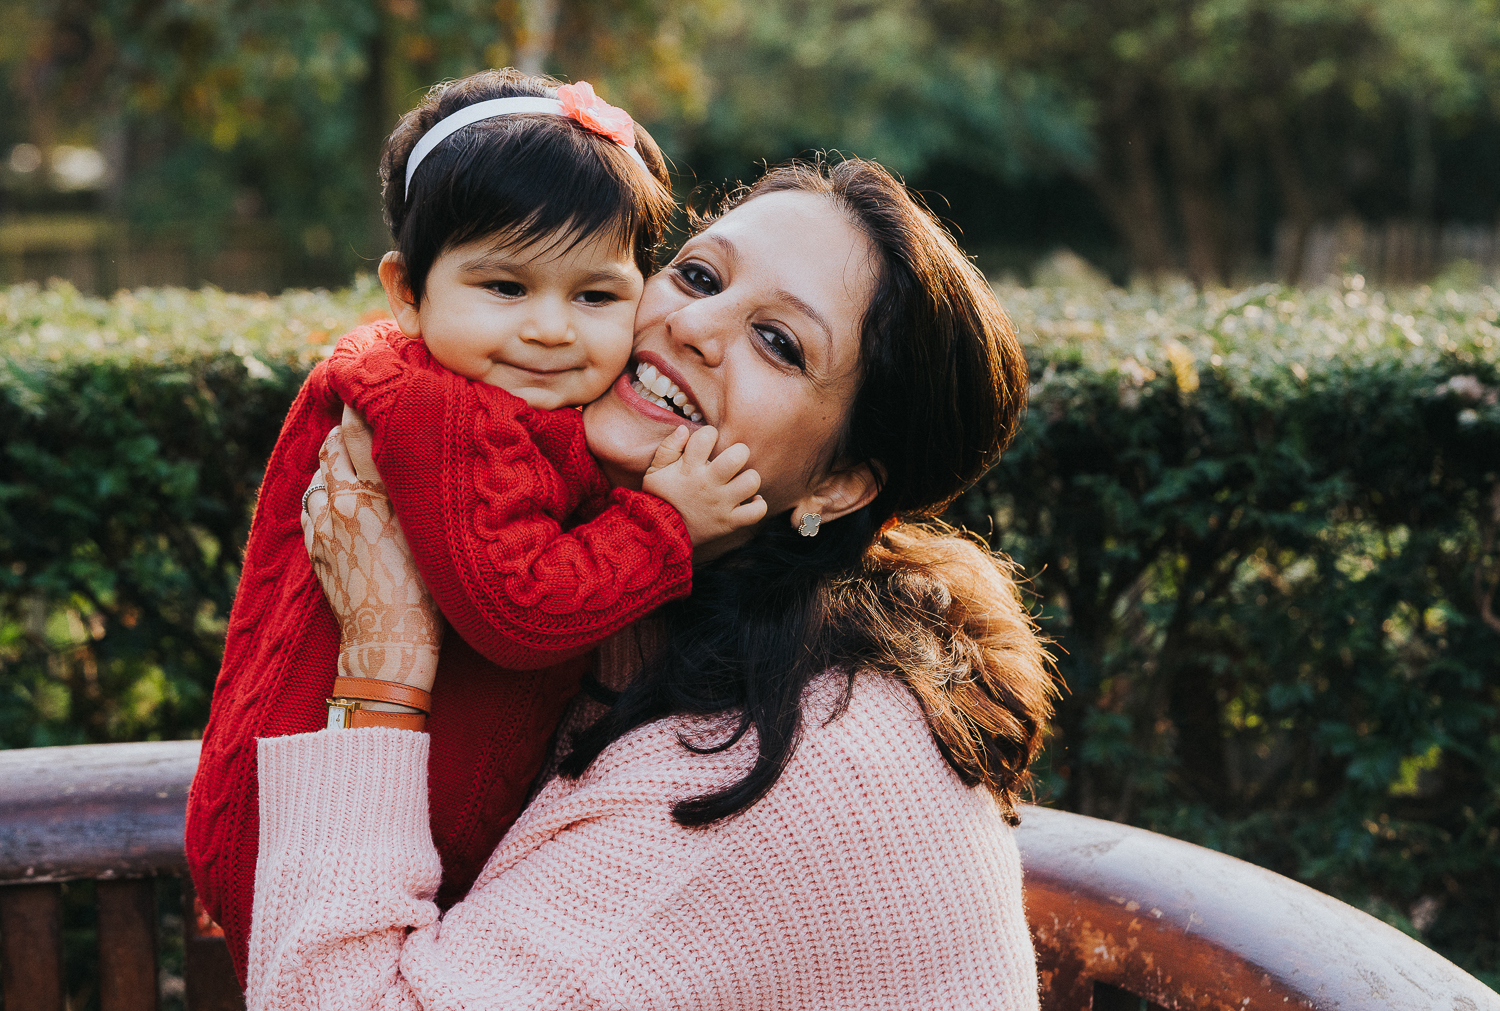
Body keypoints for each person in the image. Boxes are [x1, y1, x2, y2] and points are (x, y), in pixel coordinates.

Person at [246, 156, 1057, 1009]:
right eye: (699, 275)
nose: (697, 325)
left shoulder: (777, 760)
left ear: (839, 485)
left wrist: (384, 655)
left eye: (778, 342)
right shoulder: (612, 590)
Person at [186, 69, 767, 979]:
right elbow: (518, 609)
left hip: (388, 836)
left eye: (595, 296)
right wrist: (668, 528)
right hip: (319, 837)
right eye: (504, 285)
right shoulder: (438, 413)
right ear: (407, 292)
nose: (549, 329)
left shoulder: (500, 397)